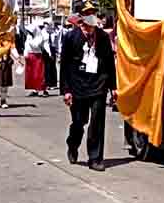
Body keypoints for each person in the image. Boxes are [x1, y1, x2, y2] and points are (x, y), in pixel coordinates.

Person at [61, 13, 116, 171]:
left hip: (98, 84)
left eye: (90, 26)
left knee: (97, 122)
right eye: (84, 25)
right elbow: (64, 65)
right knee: (79, 121)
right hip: (77, 85)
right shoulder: (70, 37)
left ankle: (95, 158)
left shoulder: (103, 37)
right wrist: (66, 90)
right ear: (80, 24)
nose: (87, 29)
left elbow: (109, 63)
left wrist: (113, 87)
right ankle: (73, 144)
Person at [23, 23, 49, 97]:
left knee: (39, 74)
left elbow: (35, 45)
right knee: (32, 74)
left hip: (37, 56)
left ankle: (44, 90)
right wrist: (25, 54)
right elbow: (26, 46)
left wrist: (30, 40)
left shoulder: (40, 36)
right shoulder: (29, 36)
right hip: (30, 56)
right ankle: (35, 90)